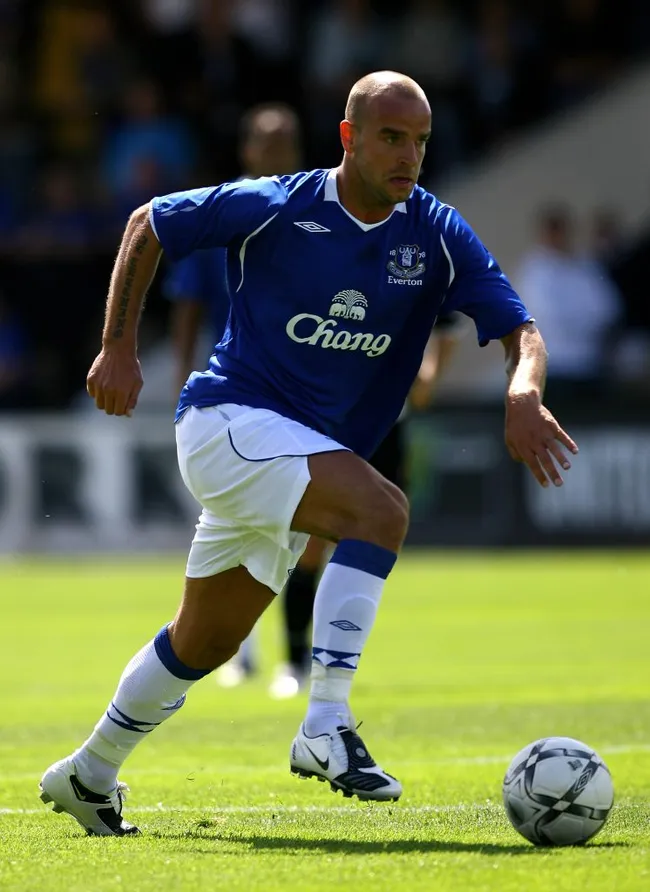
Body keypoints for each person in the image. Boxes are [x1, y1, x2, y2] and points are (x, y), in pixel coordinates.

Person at [40, 70, 577, 836]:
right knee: (381, 510)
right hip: (228, 422)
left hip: (297, 451)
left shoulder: (436, 232)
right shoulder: (280, 203)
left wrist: (524, 392)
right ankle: (325, 722)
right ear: (350, 138)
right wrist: (119, 346)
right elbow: (148, 222)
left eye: (421, 141)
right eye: (391, 137)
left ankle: (87, 774)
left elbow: (521, 329)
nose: (409, 156)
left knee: (207, 638)